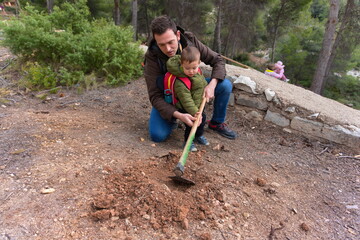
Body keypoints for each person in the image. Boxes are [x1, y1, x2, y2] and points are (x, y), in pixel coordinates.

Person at [144, 15, 237, 143]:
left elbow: (217, 60)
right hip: (169, 97)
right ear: (155, 40)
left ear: (177, 35)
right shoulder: (152, 56)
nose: (168, 49)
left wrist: (212, 85)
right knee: (157, 136)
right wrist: (178, 115)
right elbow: (155, 96)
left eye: (170, 42)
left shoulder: (189, 40)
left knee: (225, 85)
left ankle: (216, 123)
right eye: (162, 45)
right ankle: (172, 120)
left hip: (193, 90)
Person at [166, 46, 209, 152]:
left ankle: (198, 136)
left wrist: (206, 90)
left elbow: (202, 82)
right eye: (187, 68)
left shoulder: (197, 72)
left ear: (199, 63)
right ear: (182, 65)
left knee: (202, 120)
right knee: (191, 124)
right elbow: (186, 100)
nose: (191, 71)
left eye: (194, 68)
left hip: (198, 104)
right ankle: (187, 142)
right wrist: (195, 112)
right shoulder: (180, 82)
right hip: (186, 107)